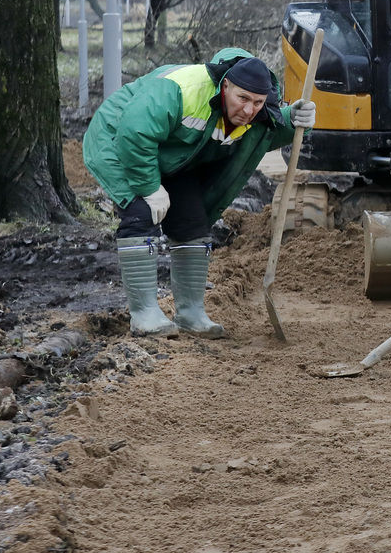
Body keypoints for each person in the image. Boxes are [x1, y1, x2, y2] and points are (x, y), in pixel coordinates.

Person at [82, 48, 315, 338]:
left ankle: (190, 314)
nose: (248, 109)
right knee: (141, 212)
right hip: (120, 140)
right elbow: (135, 132)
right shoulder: (181, 90)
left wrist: (293, 119)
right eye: (242, 99)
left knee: (192, 223)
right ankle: (144, 315)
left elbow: (264, 132)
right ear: (225, 86)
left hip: (175, 154)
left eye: (257, 102)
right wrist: (150, 188)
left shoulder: (256, 110)